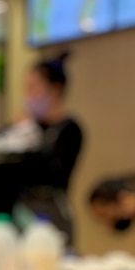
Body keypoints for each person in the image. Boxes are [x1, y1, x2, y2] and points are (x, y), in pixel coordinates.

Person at [15, 52, 84, 244]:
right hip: (22, 209)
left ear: (55, 89)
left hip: (52, 214)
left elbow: (52, 171)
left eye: (33, 88)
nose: (27, 96)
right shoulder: (28, 126)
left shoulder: (70, 130)